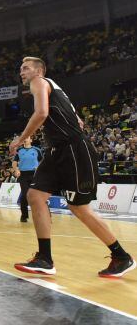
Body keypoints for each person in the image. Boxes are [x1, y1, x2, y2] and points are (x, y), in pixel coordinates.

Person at [11, 56, 134, 278]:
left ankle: (122, 256)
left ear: (39, 71)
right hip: (57, 150)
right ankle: (45, 259)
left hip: (73, 150)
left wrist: (20, 139)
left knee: (79, 208)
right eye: (20, 68)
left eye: (26, 68)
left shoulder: (38, 82)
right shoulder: (56, 89)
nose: (22, 71)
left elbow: (41, 113)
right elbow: (77, 120)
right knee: (35, 196)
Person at [12, 137, 42, 222]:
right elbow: (14, 162)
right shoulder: (19, 150)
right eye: (24, 138)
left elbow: (42, 161)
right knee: (25, 194)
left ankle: (39, 215)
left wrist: (39, 169)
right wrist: (16, 170)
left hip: (34, 175)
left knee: (36, 196)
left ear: (31, 140)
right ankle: (24, 216)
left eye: (27, 138)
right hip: (23, 175)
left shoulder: (37, 150)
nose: (25, 139)